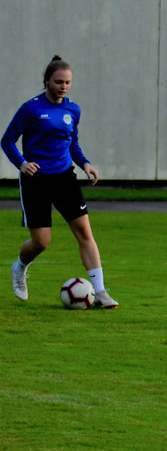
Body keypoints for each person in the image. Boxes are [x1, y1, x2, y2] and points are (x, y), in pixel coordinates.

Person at [2, 55, 118, 307]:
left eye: (67, 82)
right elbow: (7, 140)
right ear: (46, 81)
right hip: (35, 178)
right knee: (42, 242)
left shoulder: (73, 110)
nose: (63, 86)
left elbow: (71, 142)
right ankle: (19, 267)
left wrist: (84, 163)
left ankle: (100, 292)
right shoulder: (31, 109)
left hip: (65, 176)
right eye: (58, 82)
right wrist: (21, 163)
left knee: (84, 232)